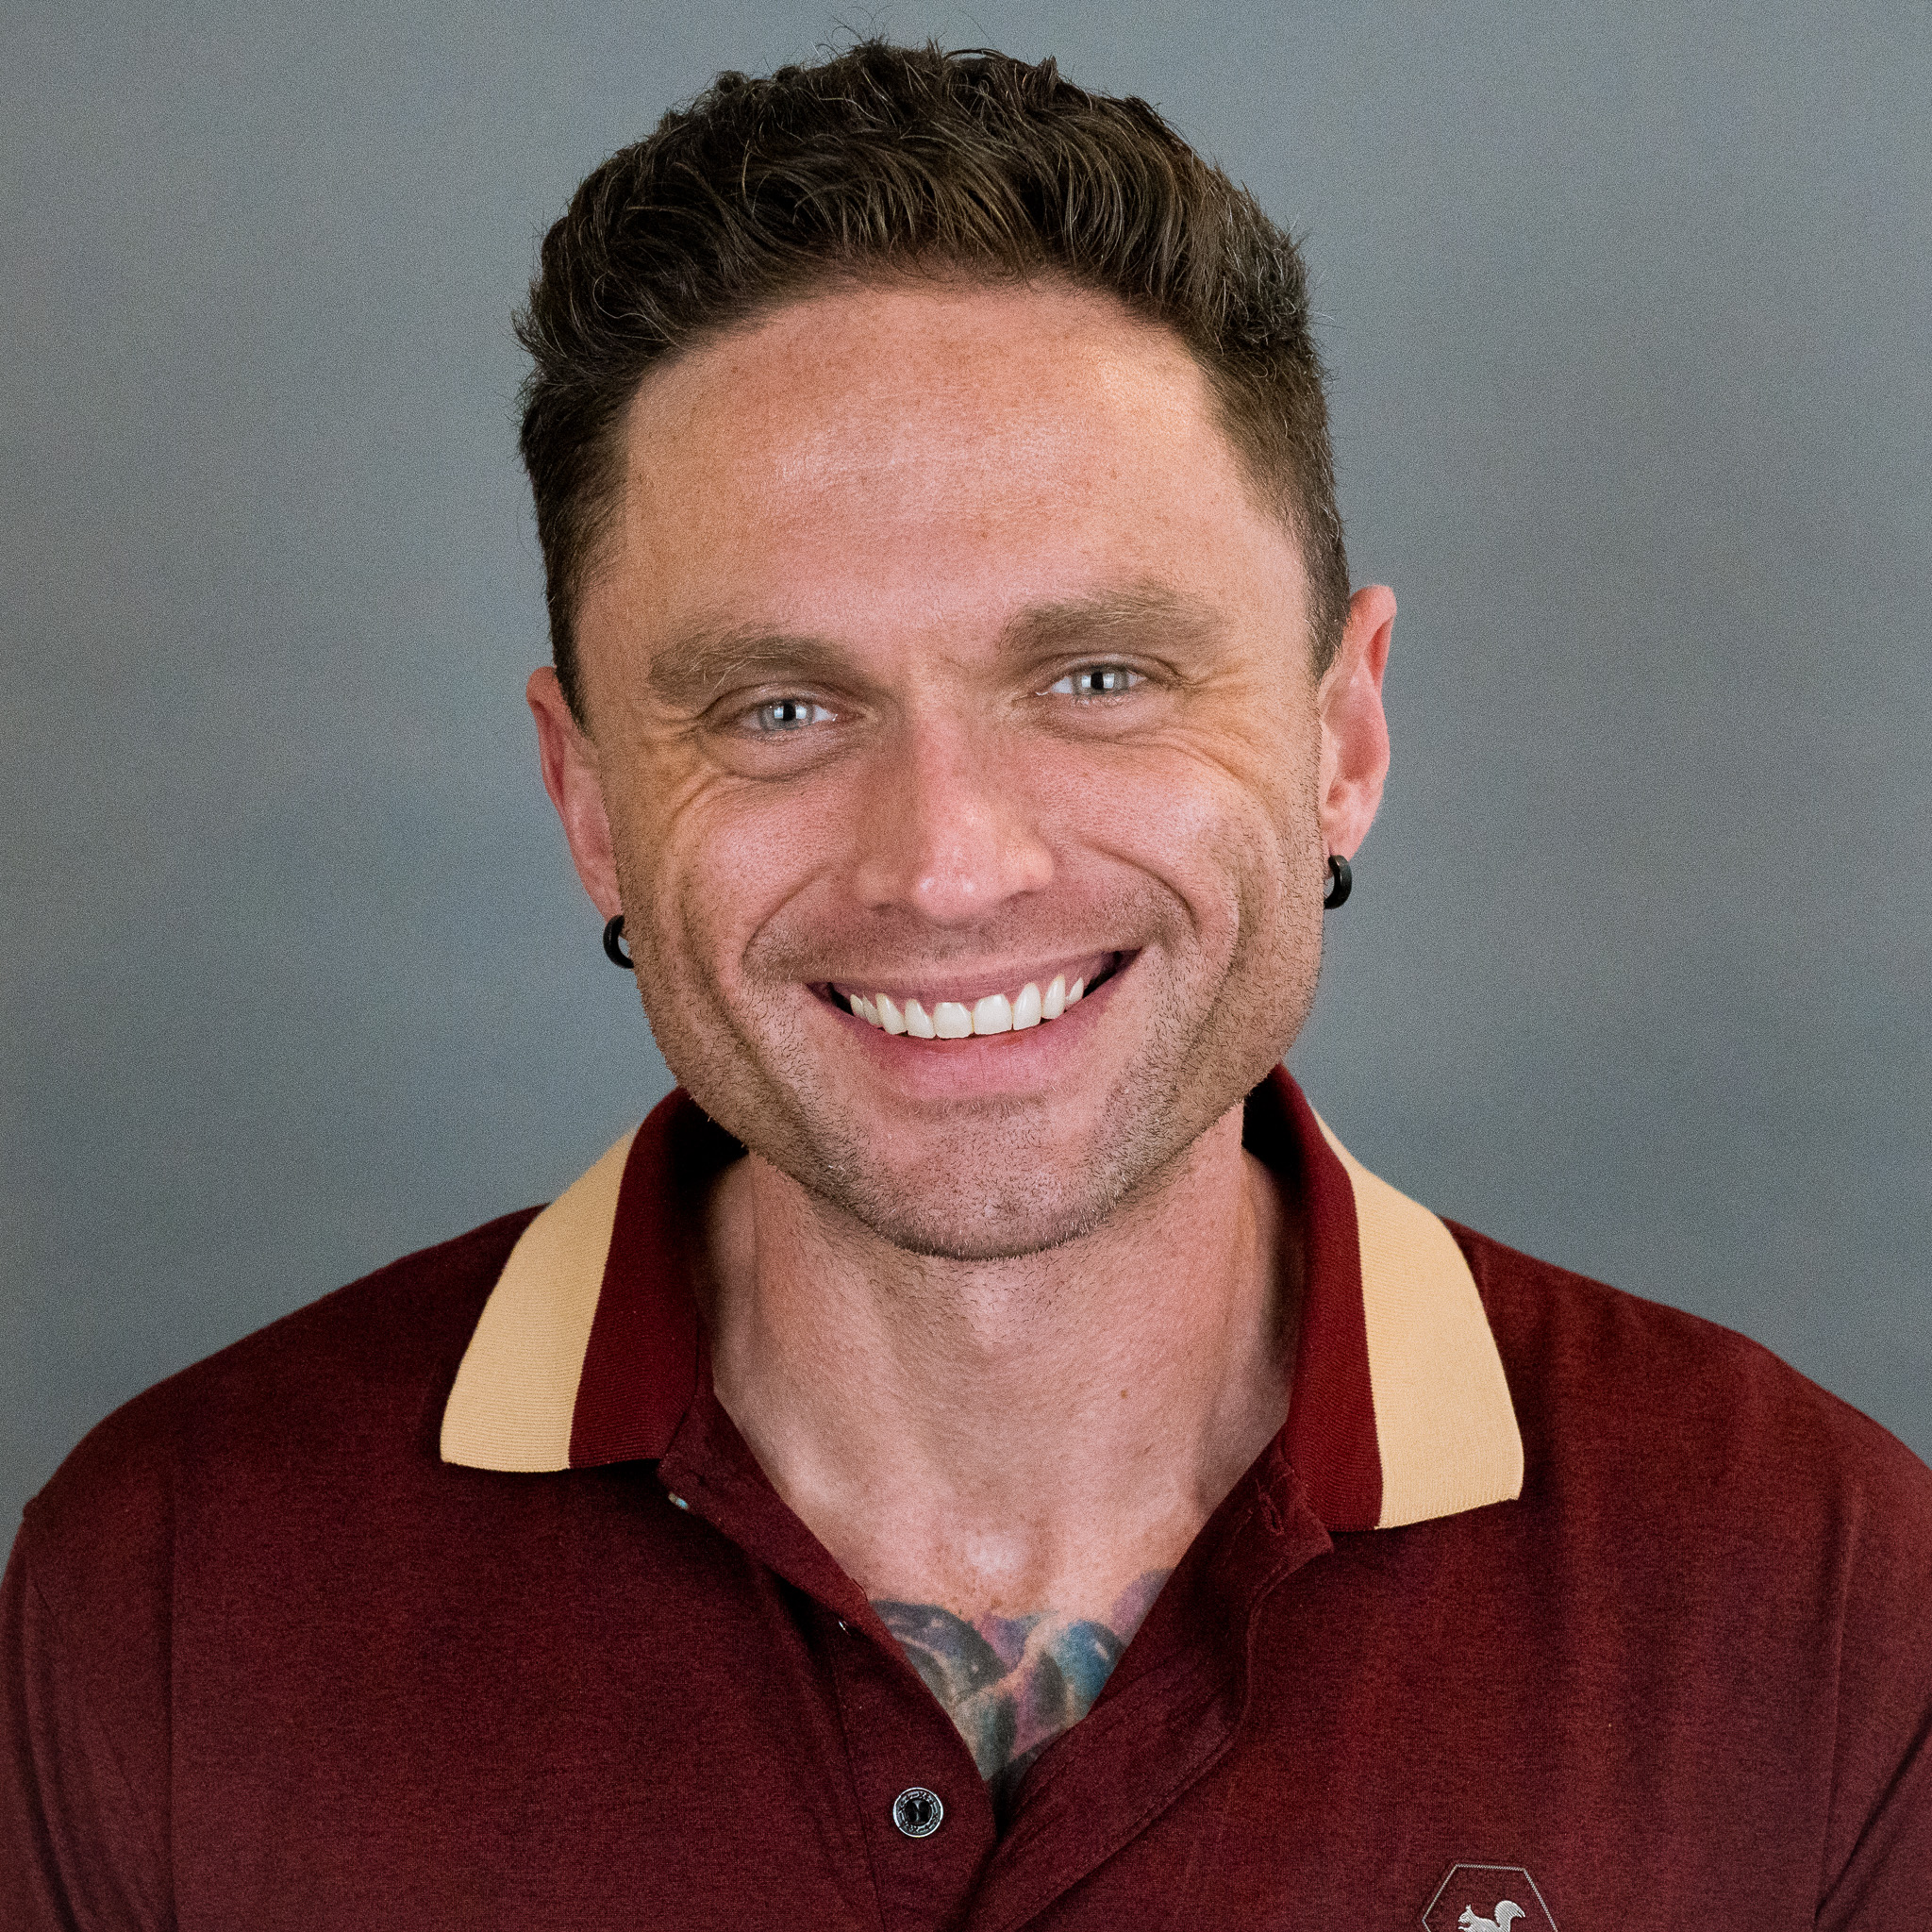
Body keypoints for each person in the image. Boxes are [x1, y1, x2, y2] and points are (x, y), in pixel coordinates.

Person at [5, 41, 1927, 1930]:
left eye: (1097, 676)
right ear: (587, 798)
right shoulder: (170, 1589)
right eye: (779, 705)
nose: (947, 864)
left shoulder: (1822, 1598)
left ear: (1342, 733)